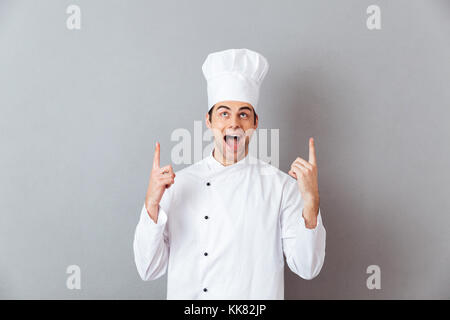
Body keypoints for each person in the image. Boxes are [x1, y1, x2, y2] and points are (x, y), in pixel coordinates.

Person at [133, 48, 326, 299]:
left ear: (255, 123)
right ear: (209, 121)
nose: (234, 123)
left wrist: (311, 204)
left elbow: (307, 267)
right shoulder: (177, 185)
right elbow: (148, 269)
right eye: (224, 113)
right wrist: (151, 204)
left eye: (243, 114)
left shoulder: (281, 187)